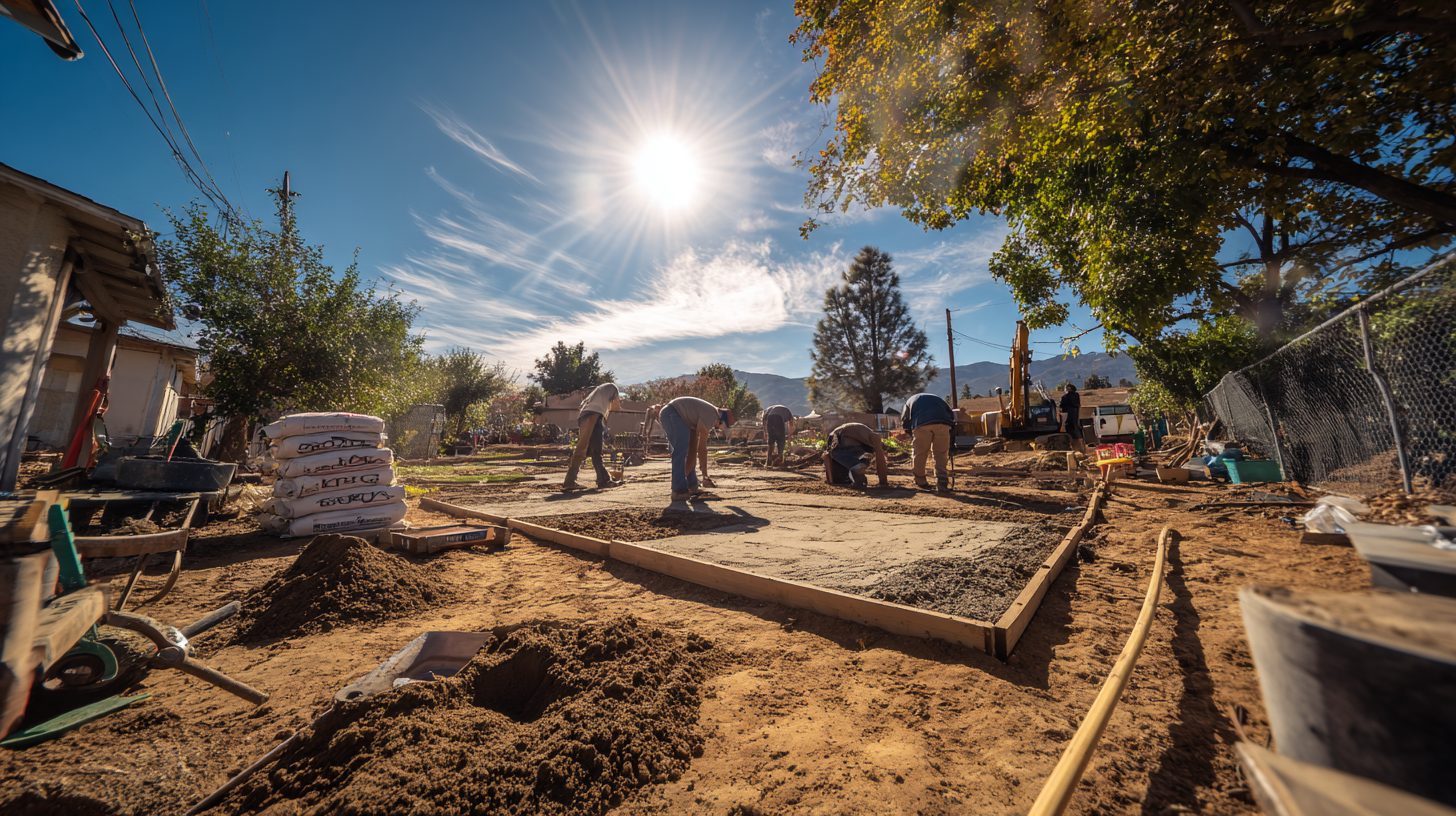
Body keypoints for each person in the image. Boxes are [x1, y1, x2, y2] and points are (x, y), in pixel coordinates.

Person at [657, 396, 735, 501]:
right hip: (673, 413)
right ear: (721, 421)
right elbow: (702, 449)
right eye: (721, 427)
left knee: (689, 449)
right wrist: (705, 475)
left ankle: (691, 485)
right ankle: (678, 490)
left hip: (677, 415)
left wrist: (703, 475)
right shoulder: (711, 416)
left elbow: (694, 448)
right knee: (681, 450)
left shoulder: (708, 414)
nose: (717, 429)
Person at [563, 382, 623, 490]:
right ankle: (601, 481)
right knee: (588, 449)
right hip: (594, 415)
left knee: (588, 448)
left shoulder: (598, 391)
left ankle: (573, 481)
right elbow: (616, 406)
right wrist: (620, 407)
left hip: (584, 415)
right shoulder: (614, 388)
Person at [900, 392, 954, 491]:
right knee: (941, 453)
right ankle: (942, 481)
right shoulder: (938, 398)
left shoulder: (909, 401)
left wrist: (910, 433)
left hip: (921, 424)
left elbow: (905, 420)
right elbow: (951, 415)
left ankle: (920, 481)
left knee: (920, 453)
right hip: (943, 423)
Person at [823, 422, 889, 488]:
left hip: (844, 438)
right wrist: (883, 482)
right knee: (841, 455)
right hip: (846, 438)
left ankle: (856, 466)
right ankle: (858, 465)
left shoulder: (870, 439)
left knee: (836, 453)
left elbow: (827, 457)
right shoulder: (873, 439)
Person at [1058, 383, 1088, 454]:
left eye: (1065, 388)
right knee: (1077, 431)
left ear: (1068, 388)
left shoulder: (1065, 397)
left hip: (1069, 418)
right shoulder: (1076, 395)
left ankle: (1074, 449)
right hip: (1076, 417)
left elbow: (1061, 407)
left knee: (1069, 432)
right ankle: (1081, 449)